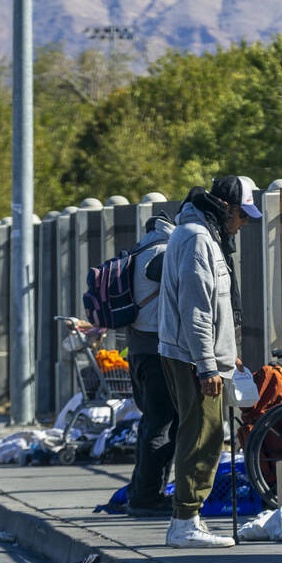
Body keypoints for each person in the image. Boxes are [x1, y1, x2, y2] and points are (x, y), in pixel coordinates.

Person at [157, 176, 261, 547]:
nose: (244, 223)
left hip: (194, 355)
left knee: (203, 433)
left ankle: (187, 520)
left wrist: (225, 351)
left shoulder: (202, 235)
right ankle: (185, 523)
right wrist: (207, 366)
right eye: (242, 215)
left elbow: (212, 308)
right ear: (226, 209)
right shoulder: (198, 240)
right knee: (203, 435)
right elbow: (197, 310)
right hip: (192, 358)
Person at [124, 213, 179, 517]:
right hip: (157, 351)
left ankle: (141, 490)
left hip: (137, 350)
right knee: (162, 424)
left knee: (150, 422)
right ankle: (147, 497)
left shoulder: (136, 252)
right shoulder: (161, 253)